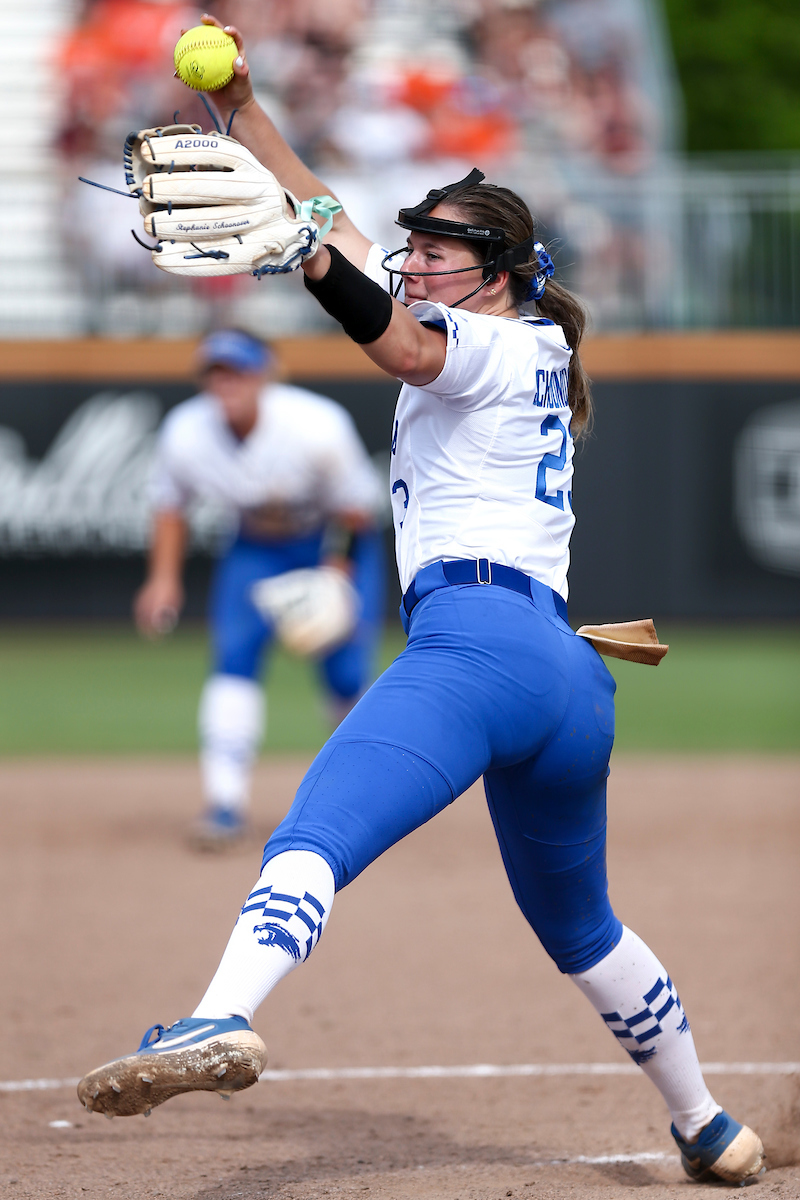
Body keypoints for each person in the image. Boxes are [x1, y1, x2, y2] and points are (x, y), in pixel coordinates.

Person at [78, 18, 765, 1187]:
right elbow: (329, 218)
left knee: (312, 835)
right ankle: (707, 1125)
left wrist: (307, 262)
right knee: (580, 929)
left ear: (495, 269)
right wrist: (242, 110)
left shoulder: (502, 340)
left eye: (438, 251)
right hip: (564, 673)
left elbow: (392, 344)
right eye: (413, 248)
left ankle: (216, 1014)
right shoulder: (519, 330)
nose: (412, 260)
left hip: (480, 647)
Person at [134, 327, 384, 848]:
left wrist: (335, 576)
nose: (225, 383)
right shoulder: (186, 431)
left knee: (344, 677)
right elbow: (169, 505)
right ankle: (224, 805)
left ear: (264, 373)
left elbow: (356, 510)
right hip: (254, 548)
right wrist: (162, 581)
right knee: (234, 658)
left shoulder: (315, 425)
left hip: (330, 543)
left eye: (237, 370)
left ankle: (366, 800)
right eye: (215, 372)